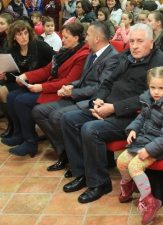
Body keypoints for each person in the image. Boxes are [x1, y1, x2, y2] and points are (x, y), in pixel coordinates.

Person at [59, 24, 163, 203]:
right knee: (68, 119)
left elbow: (148, 98)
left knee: (90, 129)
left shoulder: (160, 62)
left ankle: (99, 183)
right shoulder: (126, 56)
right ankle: (82, 173)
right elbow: (108, 82)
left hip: (133, 117)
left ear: (151, 43)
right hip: (108, 107)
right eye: (132, 41)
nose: (134, 46)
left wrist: (113, 108)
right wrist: (98, 100)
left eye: (140, 41)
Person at [32, 22, 119, 174]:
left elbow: (101, 87)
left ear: (97, 38)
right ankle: (66, 152)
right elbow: (84, 78)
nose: (86, 39)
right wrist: (71, 86)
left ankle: (79, 158)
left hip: (93, 99)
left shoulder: (112, 58)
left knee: (57, 116)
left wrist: (73, 93)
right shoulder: (93, 52)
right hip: (79, 94)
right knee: (38, 112)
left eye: (88, 35)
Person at [4, 22, 90, 157]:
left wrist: (41, 87)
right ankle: (20, 134)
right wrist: (26, 76)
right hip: (53, 86)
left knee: (21, 100)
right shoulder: (65, 51)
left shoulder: (82, 55)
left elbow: (67, 82)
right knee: (11, 96)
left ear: (76, 38)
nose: (62, 40)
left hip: (62, 92)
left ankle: (30, 141)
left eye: (66, 37)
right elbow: (46, 70)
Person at [117, 66, 163, 224]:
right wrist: (133, 129)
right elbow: (141, 118)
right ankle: (127, 186)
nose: (156, 92)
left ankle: (150, 202)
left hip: (161, 147)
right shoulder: (148, 99)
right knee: (121, 161)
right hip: (144, 140)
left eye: (160, 88)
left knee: (134, 166)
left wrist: (149, 150)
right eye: (152, 87)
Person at [0, 20, 56, 136]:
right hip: (19, 81)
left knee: (3, 90)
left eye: (25, 33)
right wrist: (4, 76)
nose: (24, 37)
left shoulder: (39, 45)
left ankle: (18, 127)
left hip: (38, 81)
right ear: (14, 37)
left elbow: (55, 61)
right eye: (19, 34)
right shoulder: (12, 49)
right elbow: (12, 73)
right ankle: (13, 123)